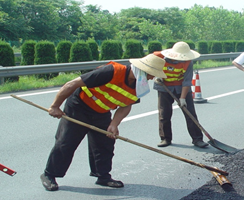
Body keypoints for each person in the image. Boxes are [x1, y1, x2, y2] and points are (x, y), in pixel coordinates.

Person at [40, 54, 168, 191]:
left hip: (101, 112)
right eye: (151, 74)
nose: (151, 78)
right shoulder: (112, 71)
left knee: (105, 143)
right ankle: (49, 175)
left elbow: (127, 104)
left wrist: (114, 124)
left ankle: (103, 176)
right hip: (79, 107)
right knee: (66, 142)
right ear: (142, 70)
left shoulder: (139, 85)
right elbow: (72, 84)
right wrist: (55, 106)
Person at [152, 42, 208, 148]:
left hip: (181, 87)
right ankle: (165, 138)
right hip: (164, 88)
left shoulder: (188, 62)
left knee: (190, 114)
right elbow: (147, 64)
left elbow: (187, 81)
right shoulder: (159, 57)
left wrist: (182, 98)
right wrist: (155, 75)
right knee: (164, 115)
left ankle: (197, 139)